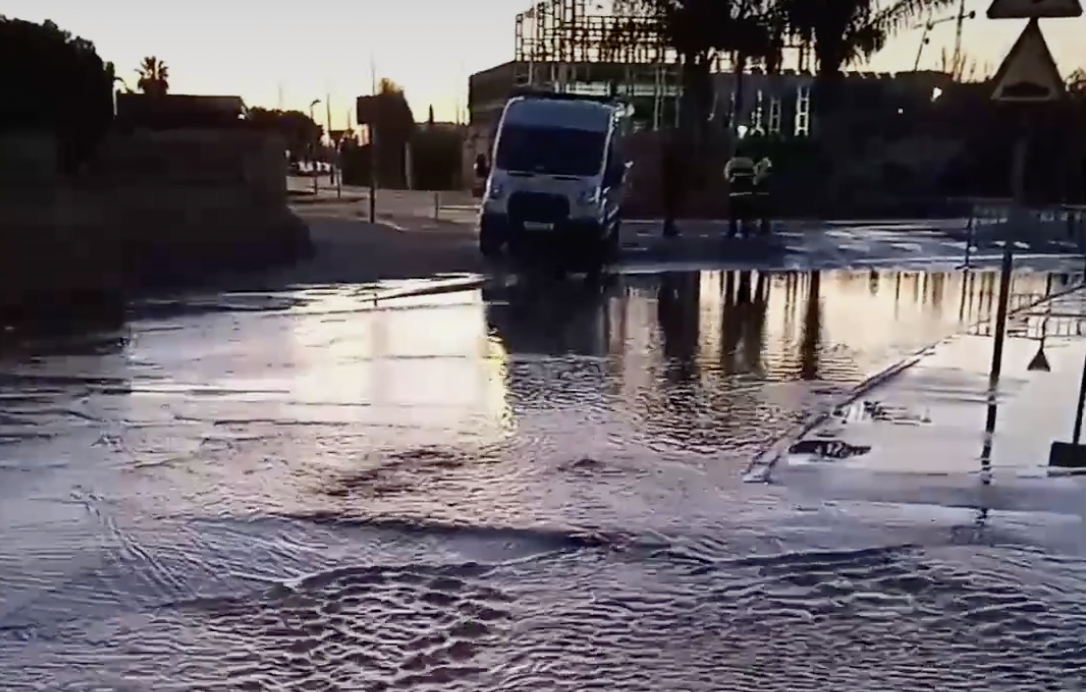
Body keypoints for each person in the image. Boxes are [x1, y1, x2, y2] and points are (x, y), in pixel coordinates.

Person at [724, 146, 757, 238]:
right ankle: (745, 229)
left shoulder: (732, 162)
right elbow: (754, 175)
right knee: (746, 212)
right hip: (747, 191)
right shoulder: (750, 162)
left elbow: (727, 176)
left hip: (735, 192)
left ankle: (733, 229)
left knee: (733, 212)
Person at [661, 134, 682, 238]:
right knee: (671, 208)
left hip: (668, 187)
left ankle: (668, 227)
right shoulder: (671, 162)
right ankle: (669, 228)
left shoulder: (666, 161)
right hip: (670, 187)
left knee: (670, 208)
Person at [753, 155, 773, 236]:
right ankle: (764, 224)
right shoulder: (764, 163)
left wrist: (755, 181)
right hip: (763, 190)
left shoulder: (763, 164)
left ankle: (764, 225)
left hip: (762, 189)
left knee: (762, 208)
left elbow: (759, 176)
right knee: (763, 208)